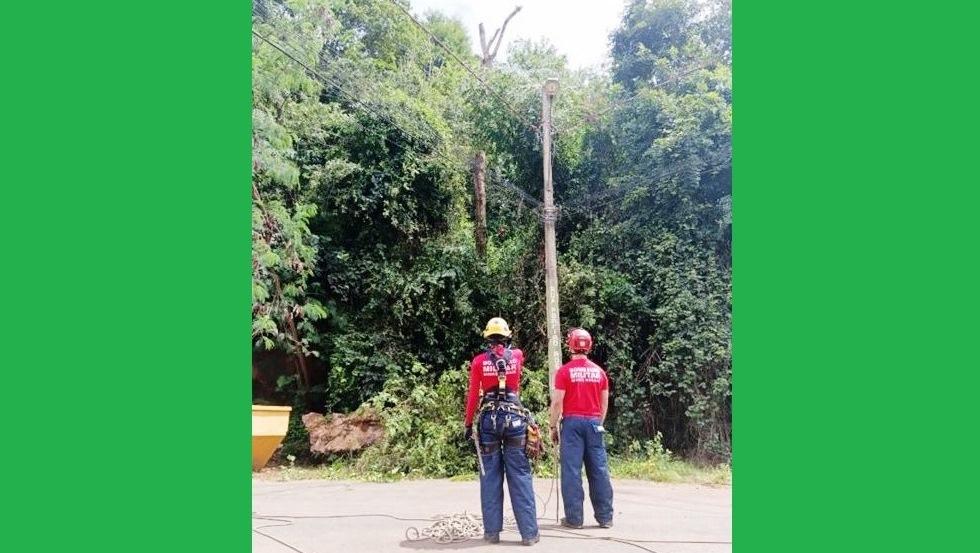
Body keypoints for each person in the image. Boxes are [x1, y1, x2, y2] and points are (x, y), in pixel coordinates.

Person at [464, 317, 540, 546]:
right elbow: (515, 379)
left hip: (489, 421)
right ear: (508, 337)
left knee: (490, 477)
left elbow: (472, 397)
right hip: (515, 419)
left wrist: (468, 424)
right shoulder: (517, 356)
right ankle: (528, 535)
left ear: (486, 337)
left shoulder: (478, 362)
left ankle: (491, 533)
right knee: (520, 476)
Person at [549, 327, 614, 529]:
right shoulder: (600, 373)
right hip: (595, 423)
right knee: (599, 470)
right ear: (589, 346)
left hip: (572, 424)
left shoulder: (564, 372)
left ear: (570, 345)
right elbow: (604, 404)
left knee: (571, 471)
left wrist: (553, 426)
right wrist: (597, 424)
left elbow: (557, 402)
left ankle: (575, 519)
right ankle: (605, 518)